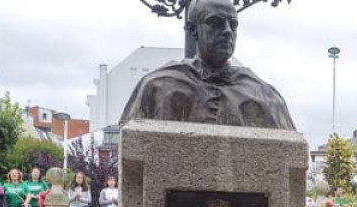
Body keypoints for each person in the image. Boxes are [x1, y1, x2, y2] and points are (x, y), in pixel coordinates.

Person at [120, 0, 295, 129]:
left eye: (233, 24)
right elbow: (131, 154)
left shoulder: (266, 96)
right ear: (193, 30)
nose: (227, 31)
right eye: (215, 22)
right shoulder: (157, 87)